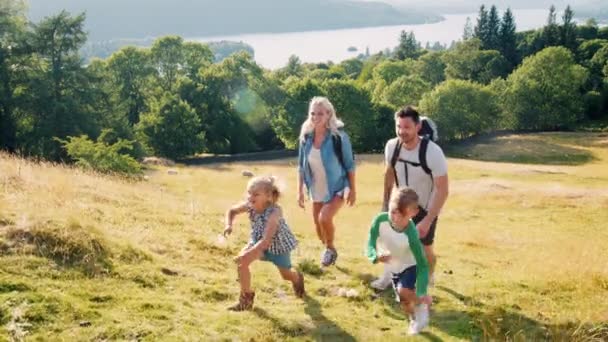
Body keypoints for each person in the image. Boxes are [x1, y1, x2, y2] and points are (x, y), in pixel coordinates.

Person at [372, 106, 449, 290]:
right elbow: (389, 173)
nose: (402, 131)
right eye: (398, 126)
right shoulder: (392, 146)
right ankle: (387, 278)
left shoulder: (433, 152)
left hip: (425, 206)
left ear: (418, 127)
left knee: (424, 248)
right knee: (391, 241)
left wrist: (428, 220)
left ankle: (429, 276)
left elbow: (442, 189)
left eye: (406, 127)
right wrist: (385, 204)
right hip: (399, 203)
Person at [223, 176, 305, 311]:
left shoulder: (275, 212)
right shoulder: (249, 205)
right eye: (249, 193)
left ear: (268, 196)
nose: (250, 197)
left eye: (255, 194)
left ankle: (297, 278)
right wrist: (228, 225)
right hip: (257, 241)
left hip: (278, 247)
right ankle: (245, 301)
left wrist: (249, 253)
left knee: (285, 275)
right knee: (242, 263)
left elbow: (267, 240)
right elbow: (232, 211)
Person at [297, 96, 356, 267]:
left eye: (320, 114)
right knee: (318, 226)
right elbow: (301, 166)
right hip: (316, 188)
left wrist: (352, 189)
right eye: (313, 113)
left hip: (338, 186)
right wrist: (299, 191)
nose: (316, 117)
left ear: (329, 114)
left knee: (324, 218)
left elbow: (350, 165)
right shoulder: (306, 138)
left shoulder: (339, 137)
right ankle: (329, 248)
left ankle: (330, 249)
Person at [367, 187, 432, 335]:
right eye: (393, 211)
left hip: (411, 265)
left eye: (402, 215)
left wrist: (421, 290)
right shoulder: (380, 220)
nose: (395, 218)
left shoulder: (412, 234)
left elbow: (422, 264)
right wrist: (375, 256)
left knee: (403, 291)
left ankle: (423, 301)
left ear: (413, 214)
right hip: (395, 267)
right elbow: (369, 243)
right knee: (403, 301)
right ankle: (414, 318)